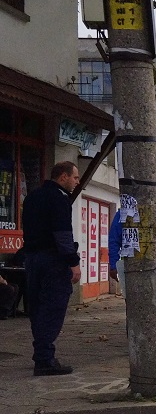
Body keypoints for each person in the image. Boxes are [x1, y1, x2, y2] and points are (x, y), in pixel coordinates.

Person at [22, 161, 82, 376]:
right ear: (63, 176)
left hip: (32, 259)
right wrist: (73, 262)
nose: (77, 182)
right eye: (75, 177)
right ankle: (45, 359)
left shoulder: (32, 197)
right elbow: (62, 233)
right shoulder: (59, 199)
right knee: (53, 307)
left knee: (37, 308)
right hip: (53, 260)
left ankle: (41, 354)